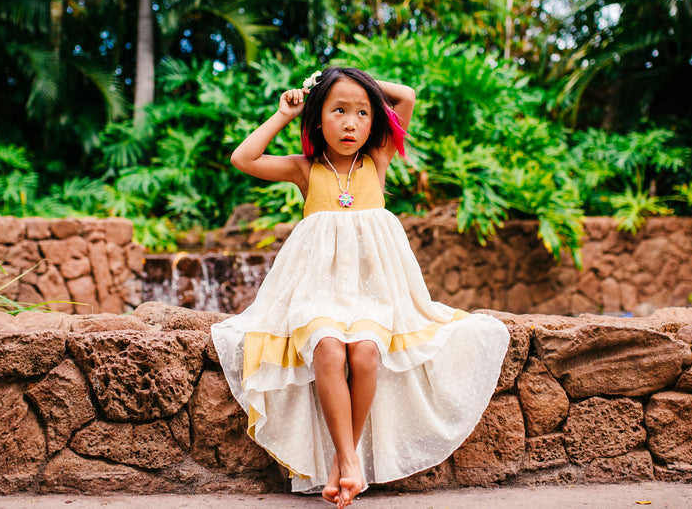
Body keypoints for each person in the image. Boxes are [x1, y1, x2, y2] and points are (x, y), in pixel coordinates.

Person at [211, 67, 509, 509]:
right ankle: (349, 460)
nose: (350, 123)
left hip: (373, 291)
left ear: (374, 121)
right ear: (318, 120)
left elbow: (405, 93)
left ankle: (341, 463)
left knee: (366, 351)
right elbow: (243, 158)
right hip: (315, 291)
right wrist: (284, 114)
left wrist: (349, 77)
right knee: (329, 348)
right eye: (338, 111)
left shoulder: (378, 160)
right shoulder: (306, 170)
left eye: (362, 113)